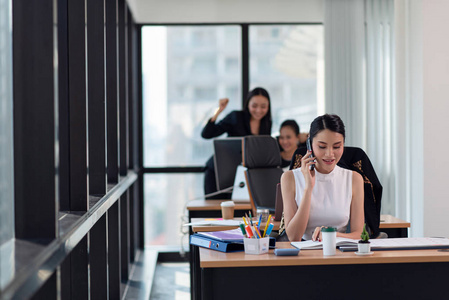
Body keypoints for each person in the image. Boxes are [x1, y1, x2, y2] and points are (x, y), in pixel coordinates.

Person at [280, 114, 364, 241]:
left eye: (336, 146)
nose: (329, 154)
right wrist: (308, 188)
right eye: (322, 147)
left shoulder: (354, 179)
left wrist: (331, 235)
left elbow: (359, 235)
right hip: (303, 256)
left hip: (339, 254)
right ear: (310, 144)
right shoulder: (289, 178)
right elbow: (293, 236)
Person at [201, 87, 272, 199]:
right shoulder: (236, 117)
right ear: (248, 104)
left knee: (239, 212)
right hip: (218, 171)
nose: (258, 110)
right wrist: (218, 110)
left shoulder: (267, 124)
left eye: (263, 106)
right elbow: (207, 134)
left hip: (241, 176)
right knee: (215, 211)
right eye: (254, 106)